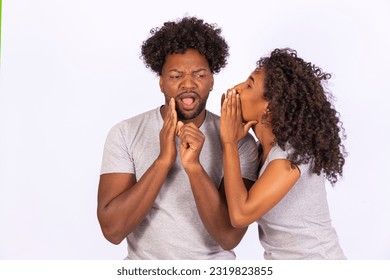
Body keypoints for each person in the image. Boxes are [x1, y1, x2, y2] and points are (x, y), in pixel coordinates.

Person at [97, 16, 259, 259]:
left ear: (212, 81)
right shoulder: (126, 132)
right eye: (175, 76)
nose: (188, 84)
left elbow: (229, 237)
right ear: (161, 83)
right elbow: (112, 231)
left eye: (199, 74)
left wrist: (193, 167)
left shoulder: (238, 140)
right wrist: (163, 161)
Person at [220, 48, 347, 259]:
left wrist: (228, 142)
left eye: (249, 85)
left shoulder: (291, 158)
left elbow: (240, 215)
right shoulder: (261, 150)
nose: (236, 89)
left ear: (269, 107)